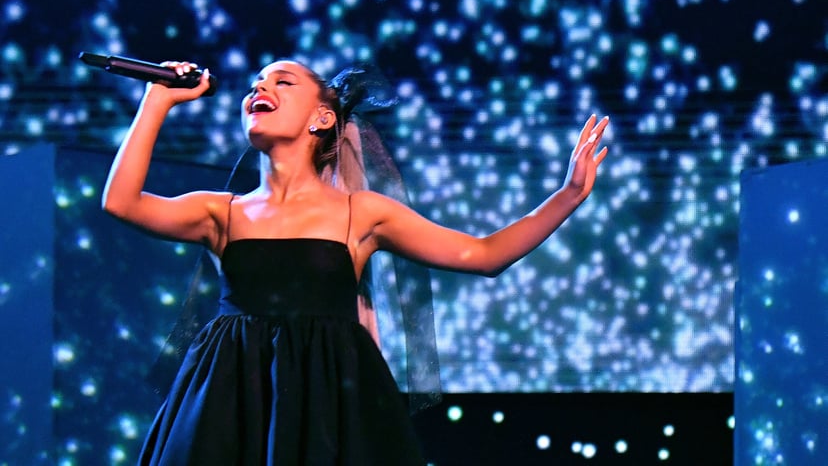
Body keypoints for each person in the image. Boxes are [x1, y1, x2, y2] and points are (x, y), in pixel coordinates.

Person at [102, 59, 609, 465]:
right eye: (256, 82)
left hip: (327, 394)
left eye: (283, 81)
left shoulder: (358, 212)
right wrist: (158, 98)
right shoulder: (221, 210)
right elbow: (120, 203)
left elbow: (483, 255)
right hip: (230, 396)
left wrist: (567, 195)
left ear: (323, 118)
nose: (261, 87)